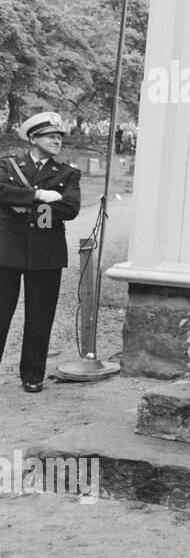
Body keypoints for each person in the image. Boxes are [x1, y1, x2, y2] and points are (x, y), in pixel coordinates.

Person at [0, 112, 81, 393]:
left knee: (40, 317)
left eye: (59, 137)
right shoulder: (8, 165)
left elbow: (70, 209)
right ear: (33, 139)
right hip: (6, 250)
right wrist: (38, 196)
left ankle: (33, 376)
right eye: (51, 136)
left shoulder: (68, 173)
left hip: (47, 253)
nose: (57, 140)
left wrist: (23, 206)